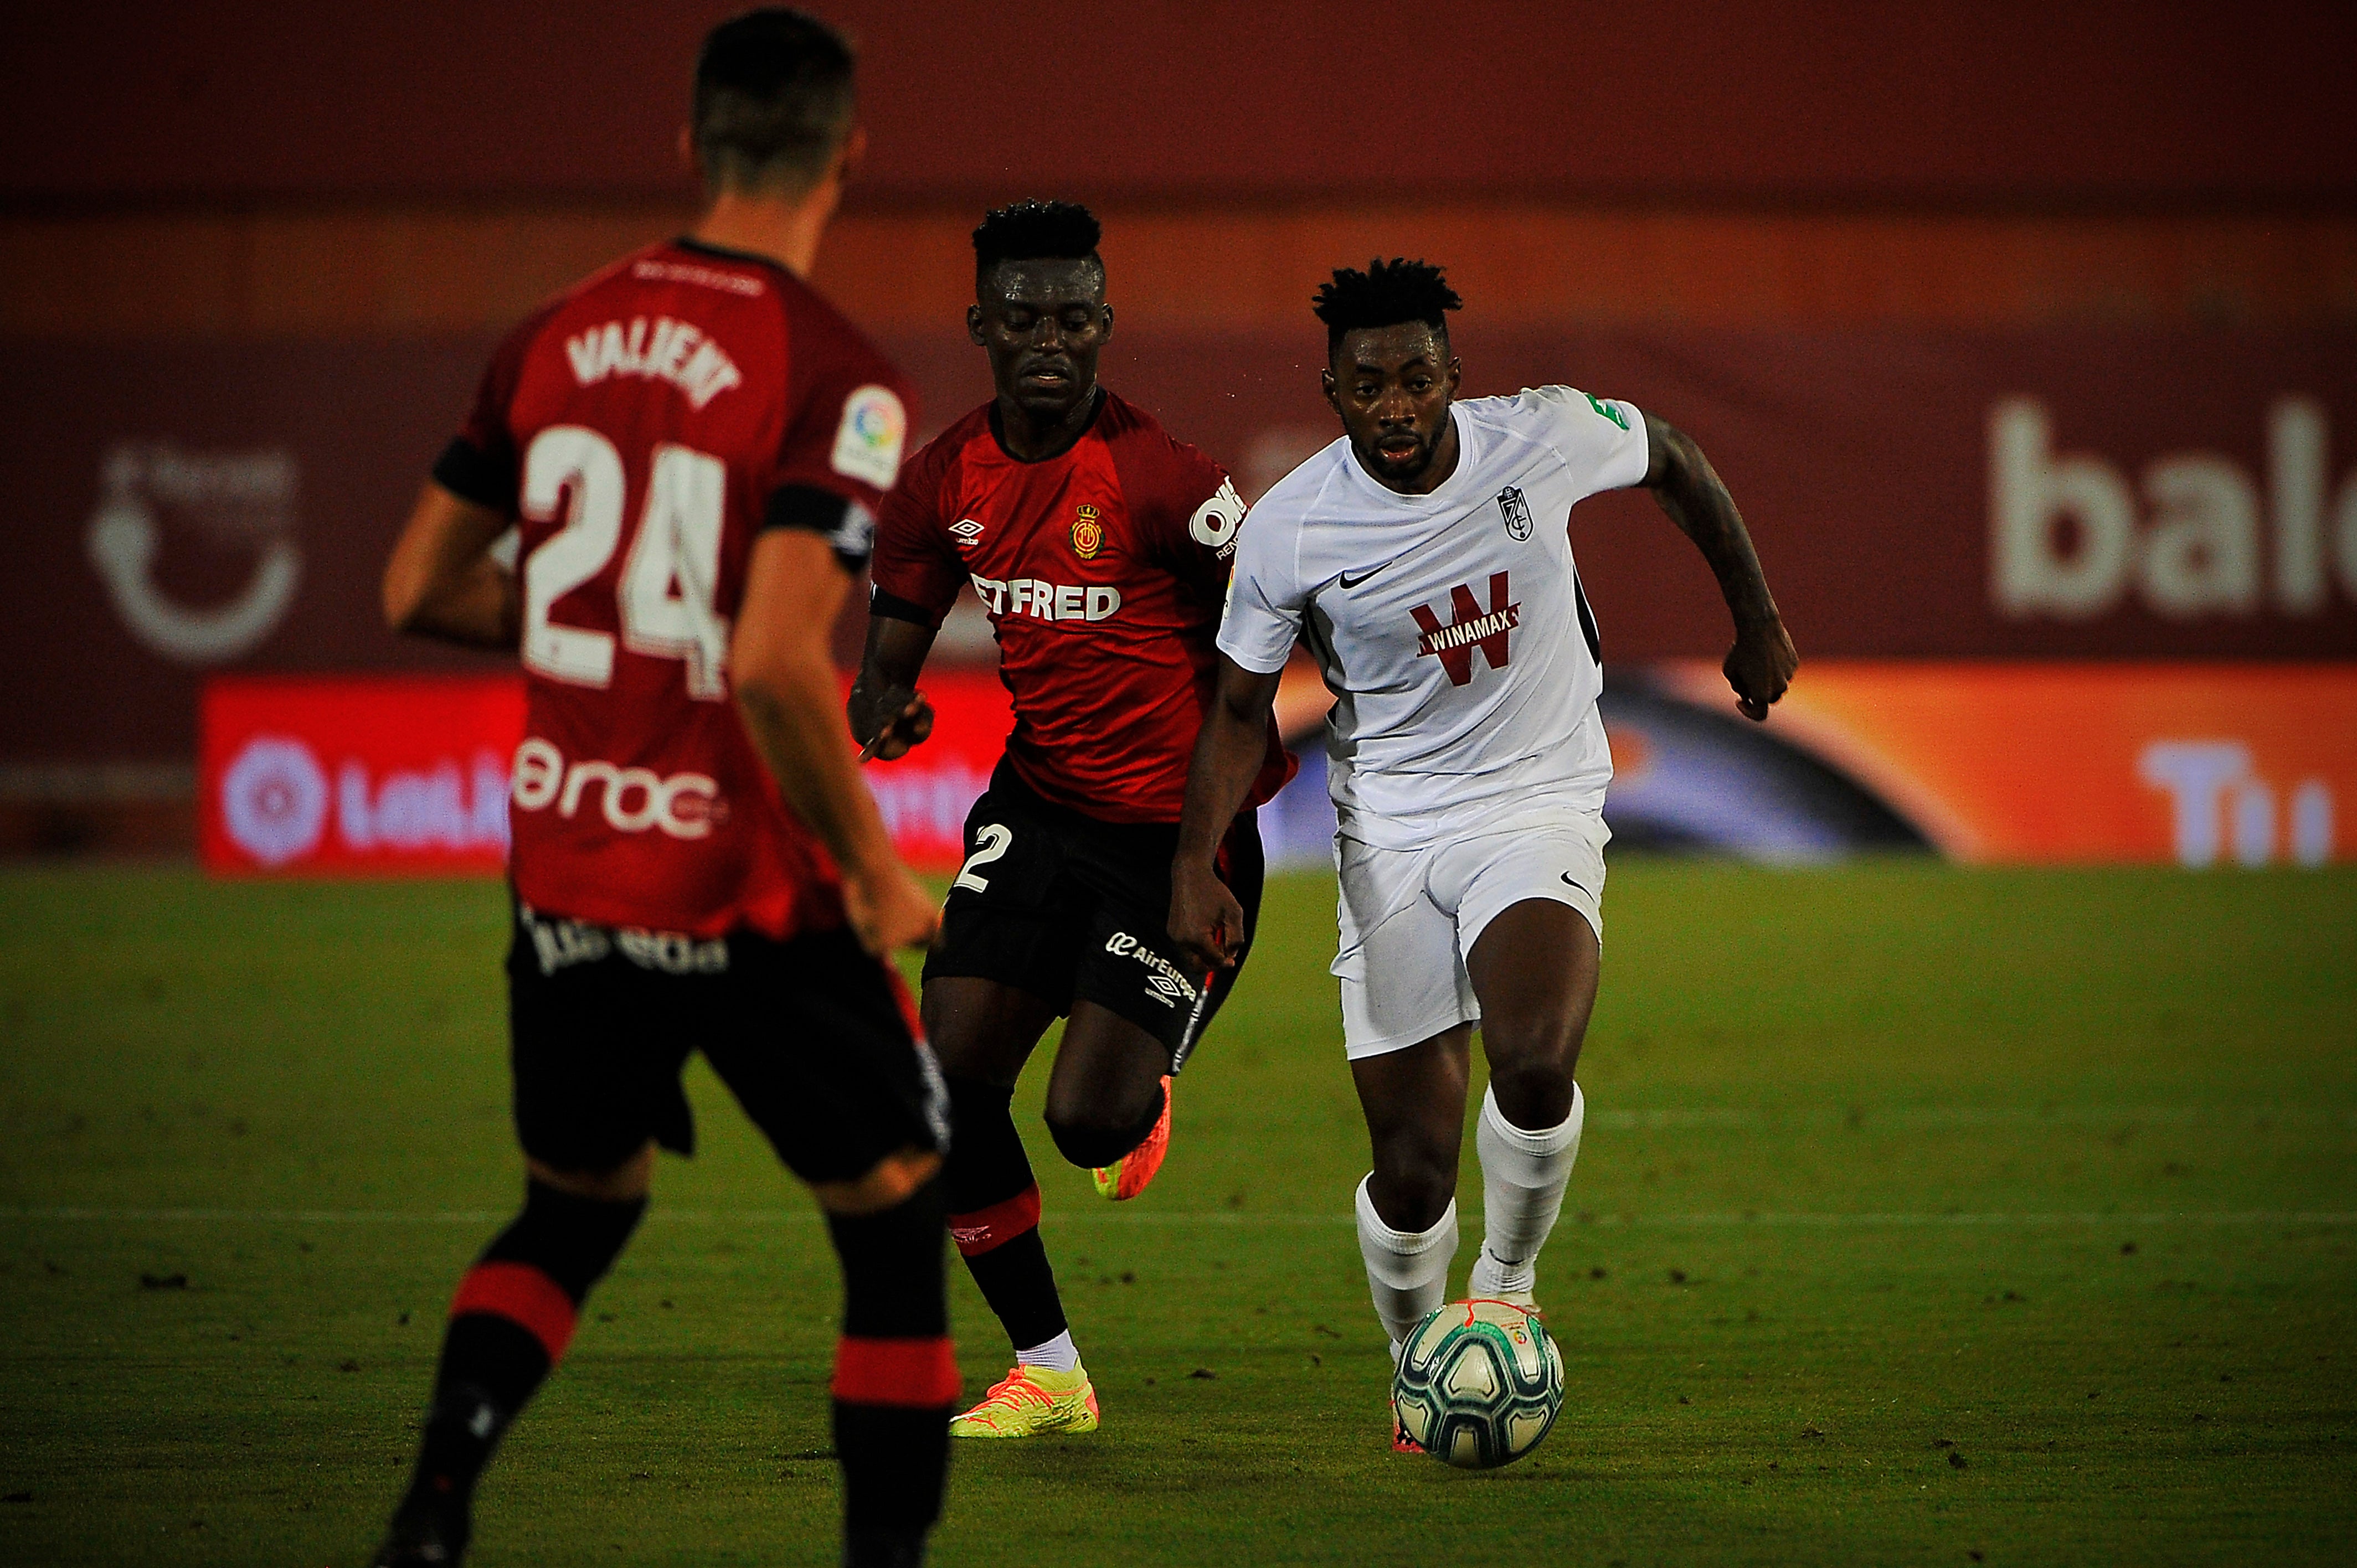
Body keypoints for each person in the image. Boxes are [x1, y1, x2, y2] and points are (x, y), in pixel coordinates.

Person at [370, 13, 957, 1564]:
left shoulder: (551, 336)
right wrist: (877, 872)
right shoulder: (836, 374)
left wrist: (607, 612)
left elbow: (415, 588)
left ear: (692, 147)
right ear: (848, 157)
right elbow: (772, 664)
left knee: (577, 1206)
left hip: (569, 870)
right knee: (895, 1220)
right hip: (740, 886)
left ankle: (437, 1503)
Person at [1167, 258, 1797, 1452]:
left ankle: (1506, 1288)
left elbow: (1672, 458)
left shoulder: (1543, 435)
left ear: (1454, 375)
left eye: (1416, 378)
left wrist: (1754, 618)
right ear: (1334, 393)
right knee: (1411, 1178)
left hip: (1537, 801)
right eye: (1368, 386)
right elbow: (1239, 711)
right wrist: (1195, 862)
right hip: (1391, 835)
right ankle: (1418, 1366)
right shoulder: (1290, 526)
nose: (1395, 406)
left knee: (1534, 1062)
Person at [850, 199, 1291, 1440]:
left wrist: (1208, 848)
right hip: (1041, 809)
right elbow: (884, 663)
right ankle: (1049, 1370)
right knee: (941, 1088)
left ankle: (1150, 1075)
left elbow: (1259, 657)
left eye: (1074, 317)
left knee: (1088, 1122)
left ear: (1105, 325)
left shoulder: (1166, 480)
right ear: (980, 325)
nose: (1050, 338)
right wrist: (883, 708)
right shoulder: (943, 481)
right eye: (1025, 316)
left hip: (1177, 835)